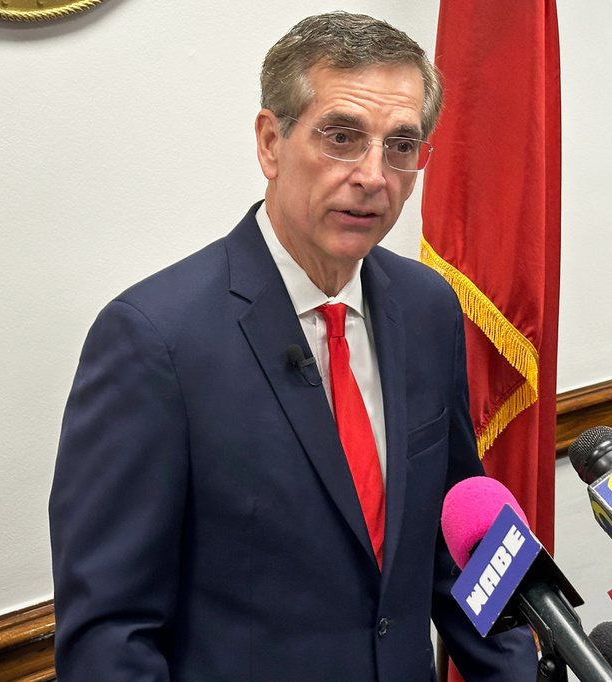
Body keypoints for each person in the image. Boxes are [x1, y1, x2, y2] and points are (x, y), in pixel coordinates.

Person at [48, 11, 538, 681]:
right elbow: (110, 638)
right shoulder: (153, 339)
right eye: (342, 138)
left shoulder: (429, 306)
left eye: (401, 145)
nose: (374, 175)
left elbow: (463, 540)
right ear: (271, 143)